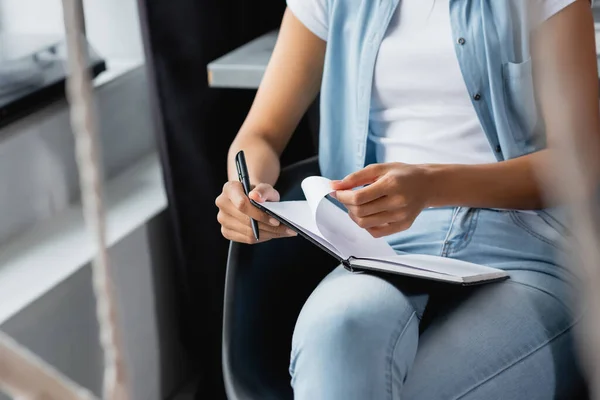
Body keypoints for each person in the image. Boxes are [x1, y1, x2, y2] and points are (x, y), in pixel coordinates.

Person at [215, 0, 598, 398]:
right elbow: (260, 135)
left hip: (525, 252)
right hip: (377, 251)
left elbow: (581, 161)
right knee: (337, 336)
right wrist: (249, 190)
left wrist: (432, 186)